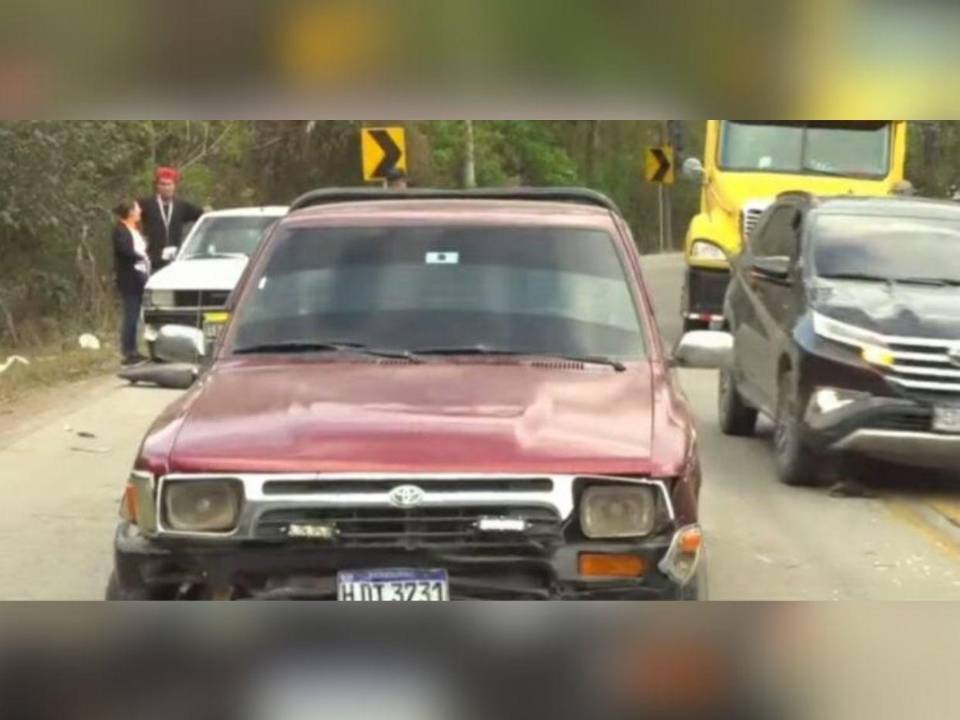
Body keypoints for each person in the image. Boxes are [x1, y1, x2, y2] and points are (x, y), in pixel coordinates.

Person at [139, 166, 204, 271]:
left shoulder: (182, 205)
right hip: (152, 260)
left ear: (174, 186)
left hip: (175, 259)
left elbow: (203, 216)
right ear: (157, 186)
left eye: (169, 184)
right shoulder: (146, 204)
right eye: (162, 184)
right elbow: (131, 221)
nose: (166, 188)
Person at [112, 199, 150, 365]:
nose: (140, 211)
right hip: (129, 278)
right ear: (130, 212)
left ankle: (134, 349)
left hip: (141, 275)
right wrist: (140, 257)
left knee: (137, 315)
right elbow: (125, 251)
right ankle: (129, 352)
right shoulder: (120, 230)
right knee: (131, 315)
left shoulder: (134, 229)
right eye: (137, 209)